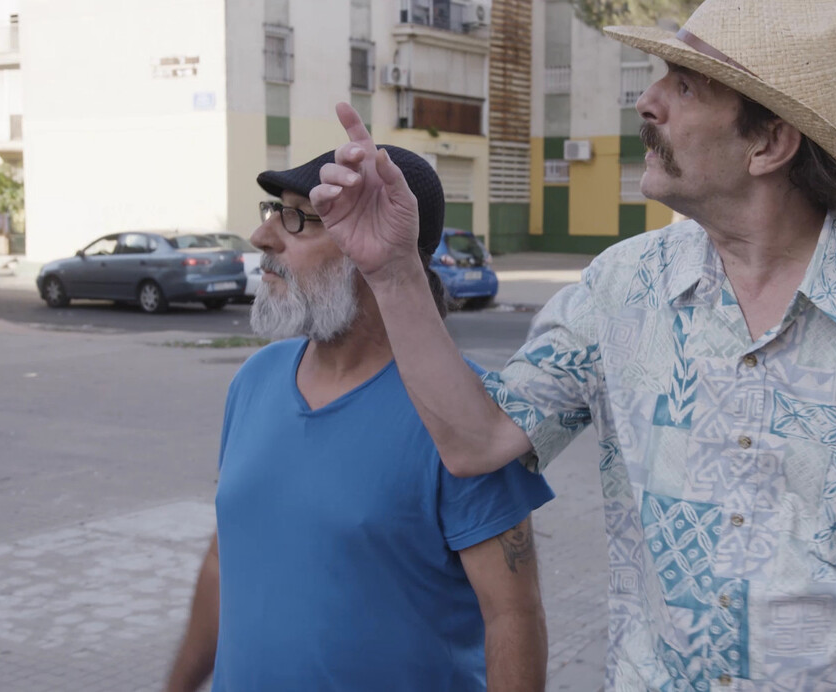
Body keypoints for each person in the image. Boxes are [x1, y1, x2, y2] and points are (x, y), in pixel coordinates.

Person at [307, 0, 836, 689]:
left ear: (770, 144)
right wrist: (396, 272)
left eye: (684, 86)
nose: (647, 101)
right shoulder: (621, 289)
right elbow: (478, 440)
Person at [165, 146, 555, 692]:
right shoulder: (255, 380)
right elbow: (224, 561)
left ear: (378, 247)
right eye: (273, 210)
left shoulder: (464, 415)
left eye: (299, 219)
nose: (264, 237)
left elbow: (512, 616)